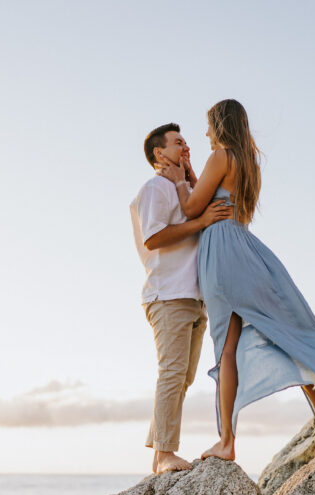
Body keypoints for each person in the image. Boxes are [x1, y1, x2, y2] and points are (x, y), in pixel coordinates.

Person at [158, 100, 315, 462]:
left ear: (219, 124)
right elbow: (222, 202)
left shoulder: (220, 155)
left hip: (223, 254)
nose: (204, 135)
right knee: (284, 335)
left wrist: (178, 182)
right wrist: (190, 173)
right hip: (247, 249)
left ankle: (227, 441)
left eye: (208, 127)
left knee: (227, 349)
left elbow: (191, 209)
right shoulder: (248, 163)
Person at [130, 123, 234, 474]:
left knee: (183, 378)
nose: (185, 146)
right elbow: (153, 238)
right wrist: (201, 220)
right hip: (168, 293)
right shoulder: (156, 187)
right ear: (159, 153)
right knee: (172, 374)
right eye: (177, 143)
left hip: (193, 295)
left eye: (187, 142)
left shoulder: (185, 187)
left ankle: (161, 454)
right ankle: (164, 455)